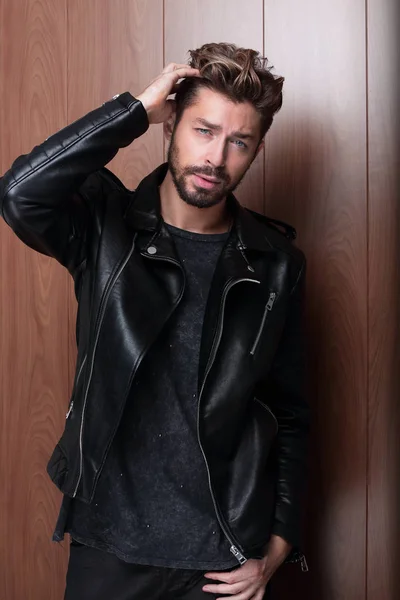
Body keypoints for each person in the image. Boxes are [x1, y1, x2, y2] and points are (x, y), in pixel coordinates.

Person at [0, 42, 309, 600]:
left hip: (223, 557)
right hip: (109, 545)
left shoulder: (276, 264)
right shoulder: (105, 225)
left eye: (239, 142)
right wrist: (133, 112)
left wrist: (280, 543)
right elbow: (20, 194)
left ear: (256, 150)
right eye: (203, 130)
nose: (216, 158)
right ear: (171, 127)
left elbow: (289, 414)